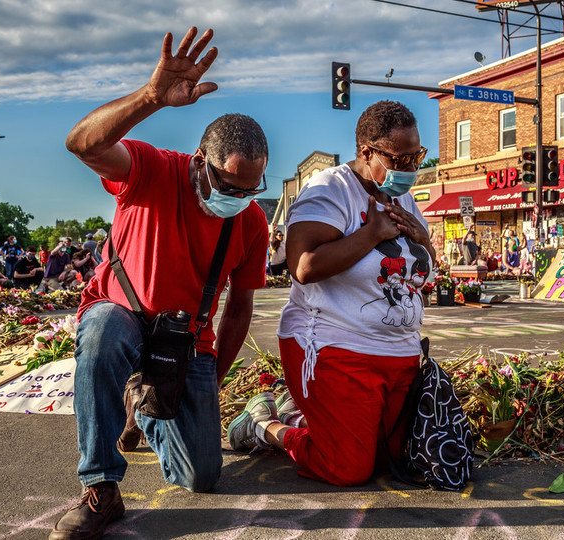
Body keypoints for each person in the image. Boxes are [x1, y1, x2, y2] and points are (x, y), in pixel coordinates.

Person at [49, 27, 269, 540]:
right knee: (102, 336)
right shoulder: (152, 169)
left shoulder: (251, 222)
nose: (237, 197)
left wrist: (212, 384)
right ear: (199, 162)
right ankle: (101, 488)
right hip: (121, 313)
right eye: (228, 185)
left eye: (250, 188)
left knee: (200, 477)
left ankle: (142, 401)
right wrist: (150, 97)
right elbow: (82, 142)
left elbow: (238, 309)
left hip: (185, 339)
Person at [227, 100, 435, 487]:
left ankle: (304, 415)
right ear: (367, 151)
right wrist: (371, 233)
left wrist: (423, 239)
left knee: (394, 460)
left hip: (399, 351)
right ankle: (267, 426)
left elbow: (422, 268)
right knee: (347, 467)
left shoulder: (405, 200)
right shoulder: (330, 189)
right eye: (400, 159)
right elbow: (303, 266)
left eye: (415, 157)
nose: (411, 169)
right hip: (334, 346)